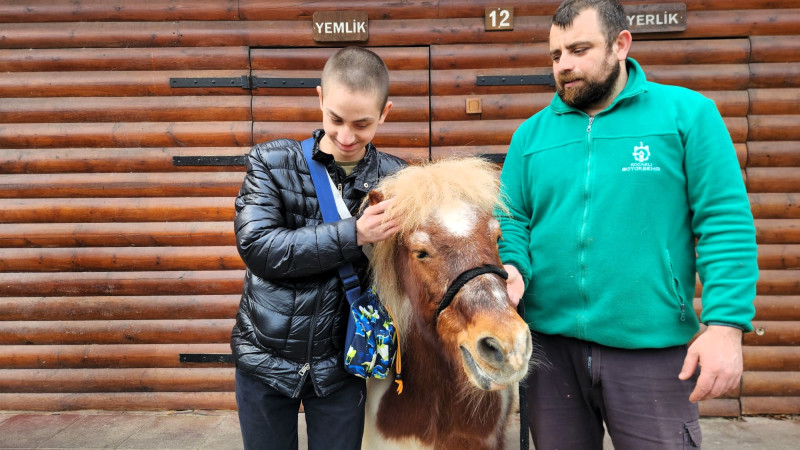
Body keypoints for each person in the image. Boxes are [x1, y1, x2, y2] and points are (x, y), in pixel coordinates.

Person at [497, 1, 758, 448]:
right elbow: (511, 219)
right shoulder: (530, 136)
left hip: (651, 353)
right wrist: (513, 265)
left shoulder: (687, 115)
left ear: (620, 45)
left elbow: (724, 222)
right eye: (556, 54)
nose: (564, 65)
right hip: (549, 353)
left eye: (579, 49)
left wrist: (725, 326)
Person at [231, 47, 407, 450]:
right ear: (320, 99)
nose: (346, 137)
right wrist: (354, 234)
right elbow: (259, 248)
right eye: (336, 119)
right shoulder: (271, 162)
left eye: (362, 124)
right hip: (264, 360)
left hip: (342, 365)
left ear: (385, 113)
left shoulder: (398, 179)